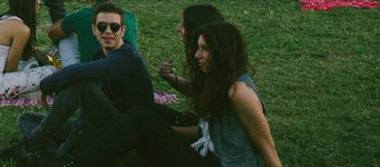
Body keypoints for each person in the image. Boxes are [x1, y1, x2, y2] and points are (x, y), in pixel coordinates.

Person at [67, 22, 282, 167]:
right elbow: (205, 131)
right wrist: (161, 132)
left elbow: (267, 146)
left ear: (222, 51)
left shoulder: (240, 92)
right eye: (198, 47)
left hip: (219, 163)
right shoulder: (219, 82)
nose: (197, 55)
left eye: (204, 49)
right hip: (204, 153)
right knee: (141, 123)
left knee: (140, 118)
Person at [16, 2, 154, 161]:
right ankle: (52, 150)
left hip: (125, 132)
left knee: (80, 83)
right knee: (26, 118)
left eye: (114, 27)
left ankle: (35, 143)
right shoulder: (99, 54)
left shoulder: (127, 57)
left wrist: (47, 85)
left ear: (122, 31)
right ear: (94, 29)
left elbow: (76, 73)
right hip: (100, 124)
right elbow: (87, 110)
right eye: (102, 26)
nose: (108, 32)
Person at [47, 0, 138, 66]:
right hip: (128, 73)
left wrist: (76, 16)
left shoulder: (82, 16)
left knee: (66, 38)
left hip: (91, 73)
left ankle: (70, 73)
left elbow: (53, 33)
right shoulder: (130, 17)